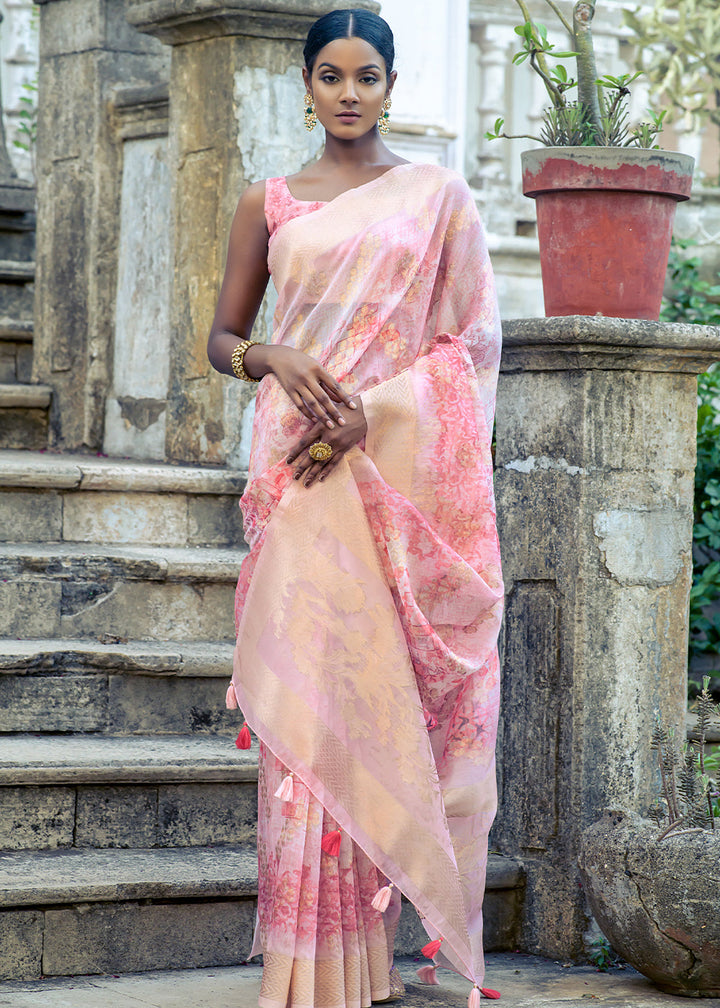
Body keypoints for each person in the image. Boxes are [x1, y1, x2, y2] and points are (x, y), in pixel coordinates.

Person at [207, 9, 504, 1008]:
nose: (347, 92)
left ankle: (361, 966)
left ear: (389, 85)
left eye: (365, 76)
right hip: (297, 477)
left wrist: (370, 417)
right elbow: (221, 338)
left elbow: (464, 350)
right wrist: (276, 357)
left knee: (372, 709)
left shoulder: (435, 200)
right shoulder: (270, 202)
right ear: (305, 81)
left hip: (383, 478)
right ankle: (304, 965)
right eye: (329, 74)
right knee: (306, 709)